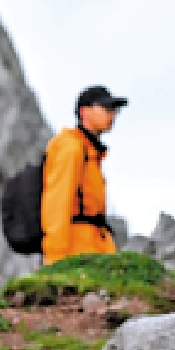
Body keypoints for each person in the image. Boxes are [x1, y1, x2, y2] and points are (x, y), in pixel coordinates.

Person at [41, 85, 127, 265]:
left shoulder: (90, 152)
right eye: (106, 108)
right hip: (76, 251)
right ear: (84, 111)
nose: (112, 115)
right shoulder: (71, 147)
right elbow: (57, 203)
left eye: (113, 110)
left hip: (95, 248)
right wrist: (55, 259)